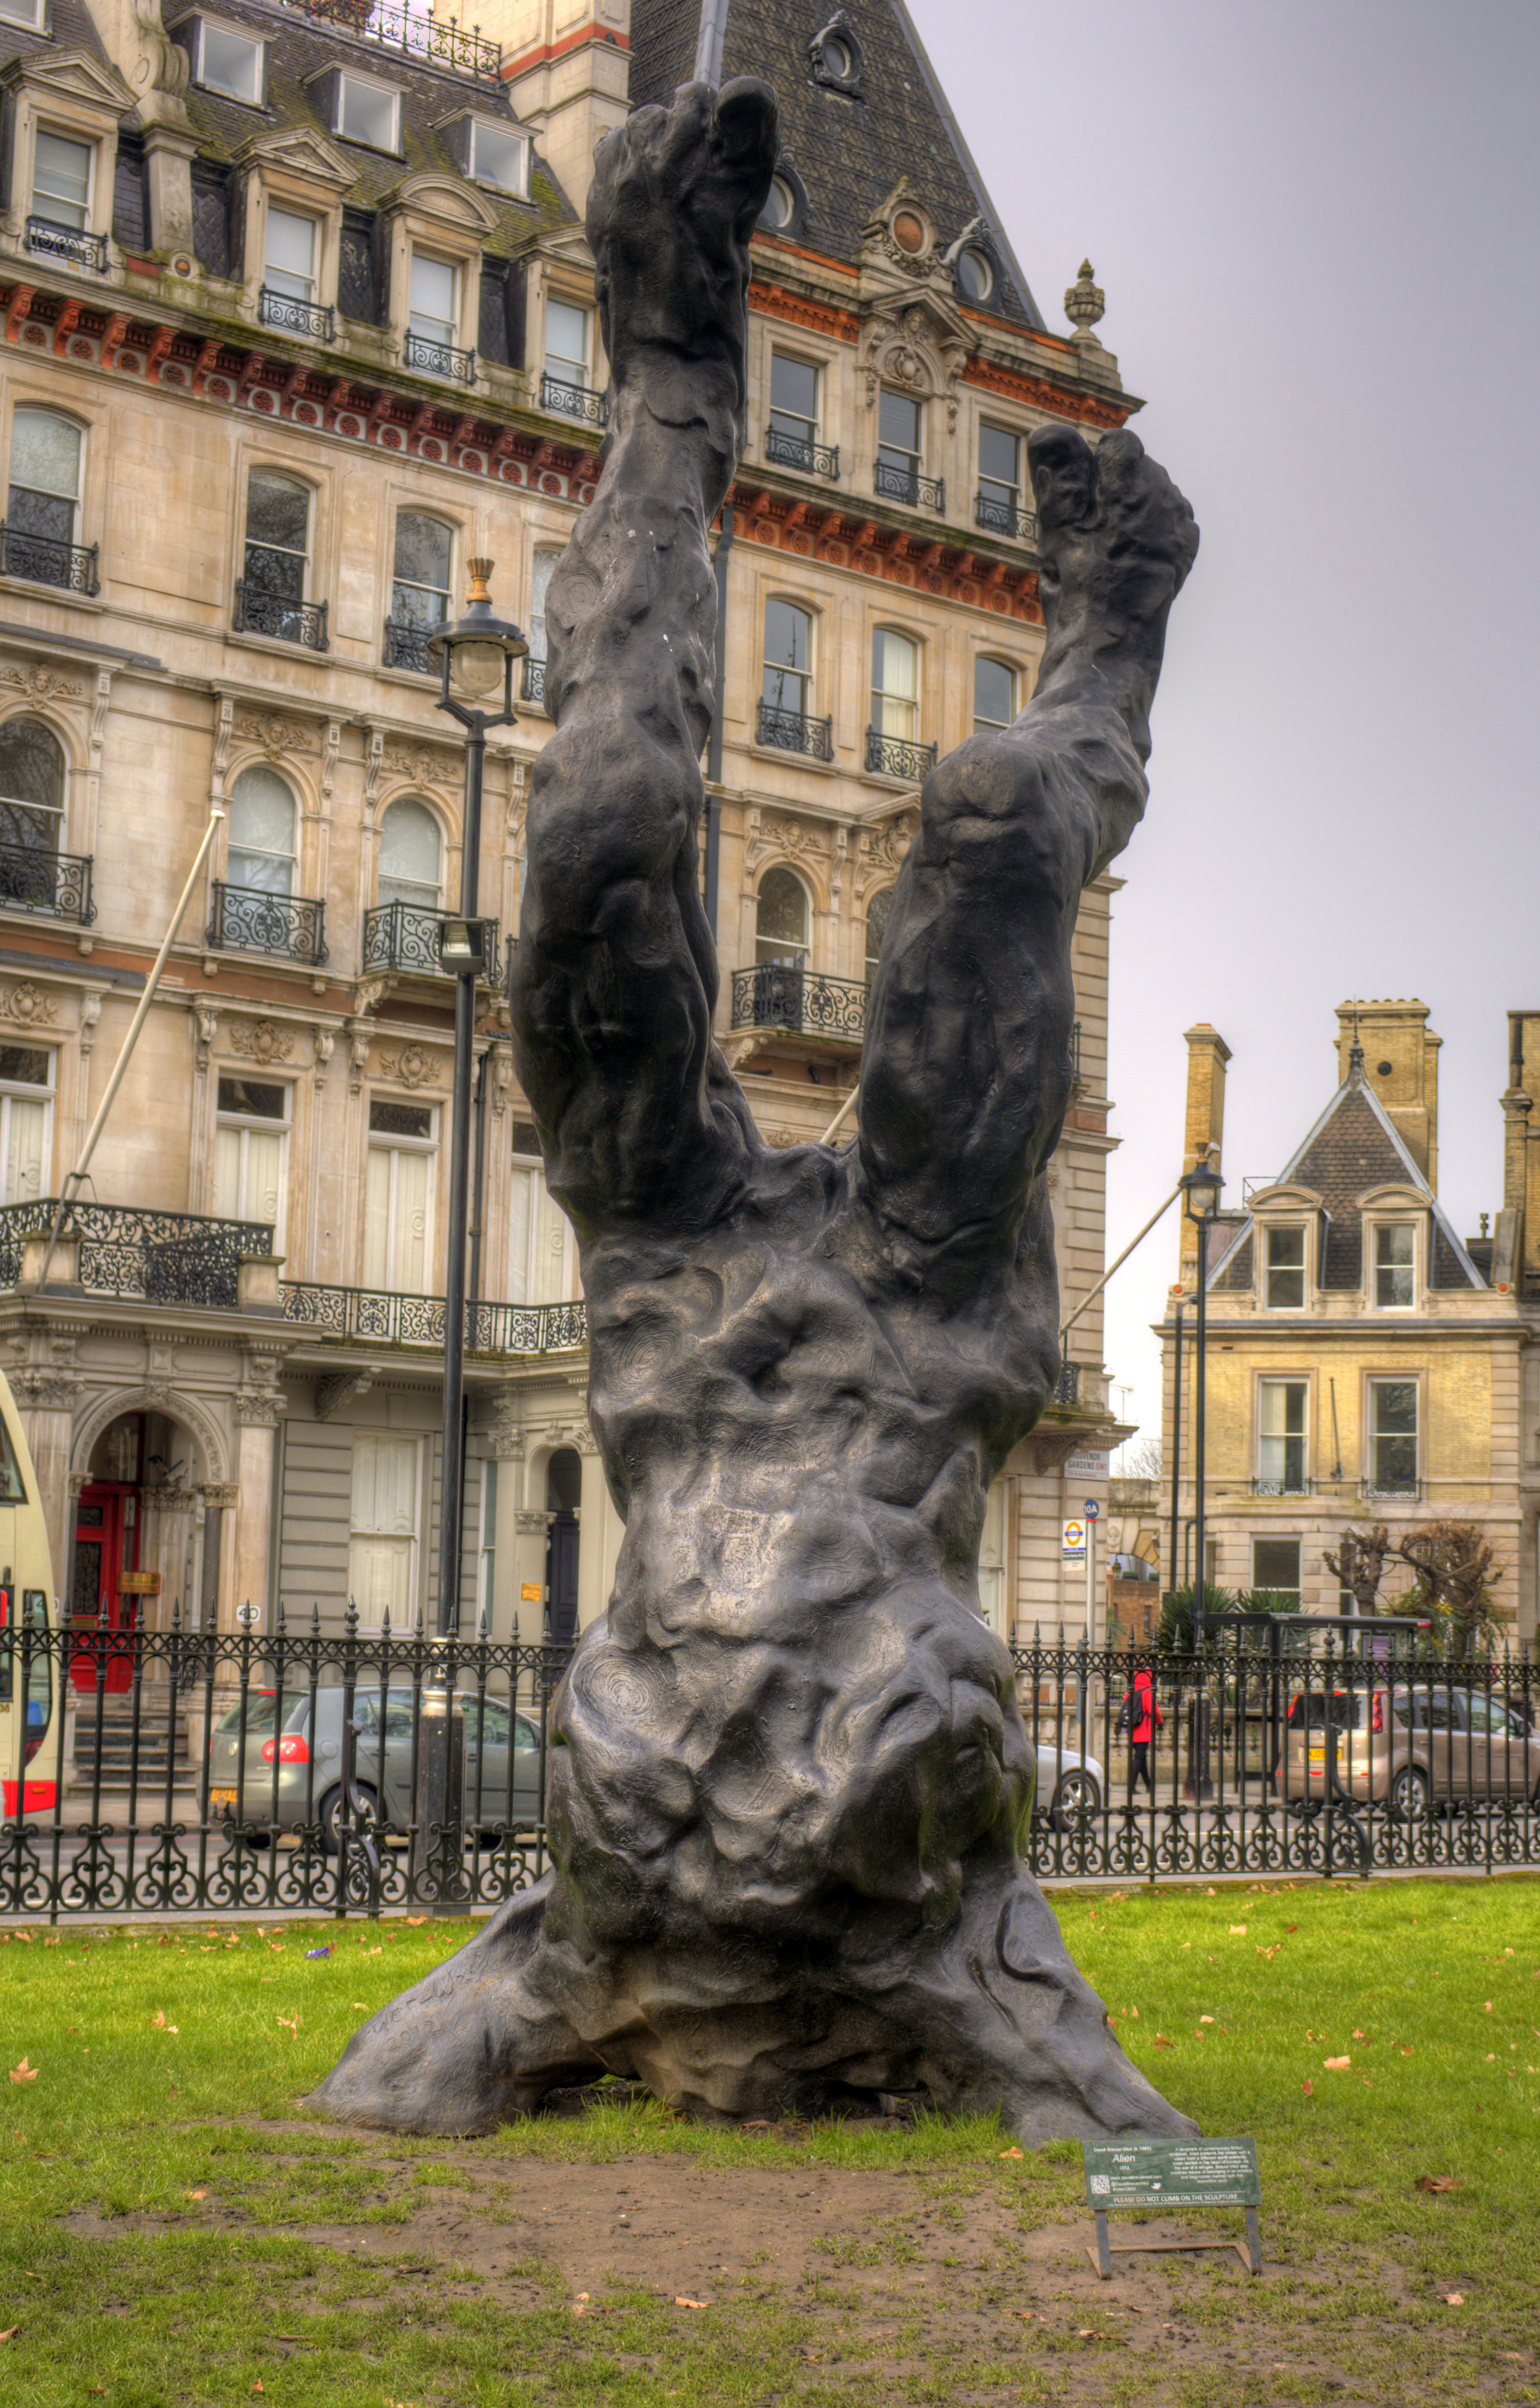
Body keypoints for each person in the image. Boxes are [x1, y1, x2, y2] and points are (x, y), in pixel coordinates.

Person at [310, 76, 1199, 2146]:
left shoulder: (577, 1947)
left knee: (606, 823)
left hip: (684, 1283)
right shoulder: (933, 1945)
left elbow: (435, 2053)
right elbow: (1103, 2104)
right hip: (897, 1307)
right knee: (979, 827)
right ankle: (1099, 658)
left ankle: (674, 377)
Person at [1120, 1660, 1162, 1798]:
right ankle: (1131, 1787)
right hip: (1143, 1731)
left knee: (1141, 1758)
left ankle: (1149, 1785)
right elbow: (1153, 1711)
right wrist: (1159, 1722)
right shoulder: (1148, 1691)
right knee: (1139, 1759)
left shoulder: (1130, 1690)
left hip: (1131, 1730)